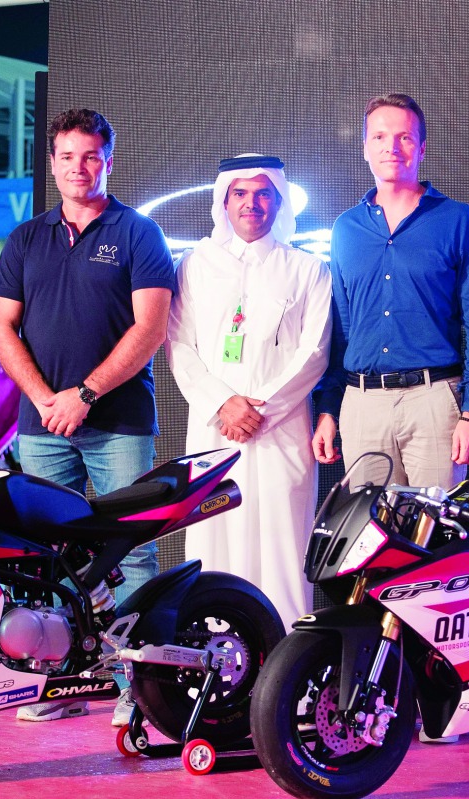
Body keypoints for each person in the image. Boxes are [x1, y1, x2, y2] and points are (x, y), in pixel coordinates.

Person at [314, 94, 469, 744]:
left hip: (434, 399)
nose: (392, 147)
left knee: (439, 553)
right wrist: (327, 407)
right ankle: (376, 694)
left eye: (404, 137)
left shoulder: (455, 221)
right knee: (366, 551)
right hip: (360, 402)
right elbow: (336, 327)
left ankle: (445, 694)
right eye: (380, 136)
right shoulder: (345, 229)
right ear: (364, 146)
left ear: (421, 147)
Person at [0, 108, 175, 726]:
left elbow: (150, 329)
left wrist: (84, 395)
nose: (79, 167)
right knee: (46, 558)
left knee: (134, 555)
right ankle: (55, 683)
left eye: (90, 156)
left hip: (118, 421)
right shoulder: (25, 239)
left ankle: (141, 691)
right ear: (52, 163)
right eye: (67, 157)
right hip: (41, 426)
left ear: (108, 160)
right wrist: (47, 399)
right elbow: (2, 328)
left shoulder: (138, 233)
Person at [166, 154, 331, 631]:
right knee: (213, 541)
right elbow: (179, 344)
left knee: (282, 544)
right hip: (215, 429)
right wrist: (225, 404)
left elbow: (315, 352)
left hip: (280, 433)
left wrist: (262, 410)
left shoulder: (306, 269)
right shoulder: (195, 265)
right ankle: (218, 663)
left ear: (278, 200)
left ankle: (285, 667)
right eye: (239, 193)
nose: (251, 204)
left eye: (263, 193)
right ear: (223, 200)